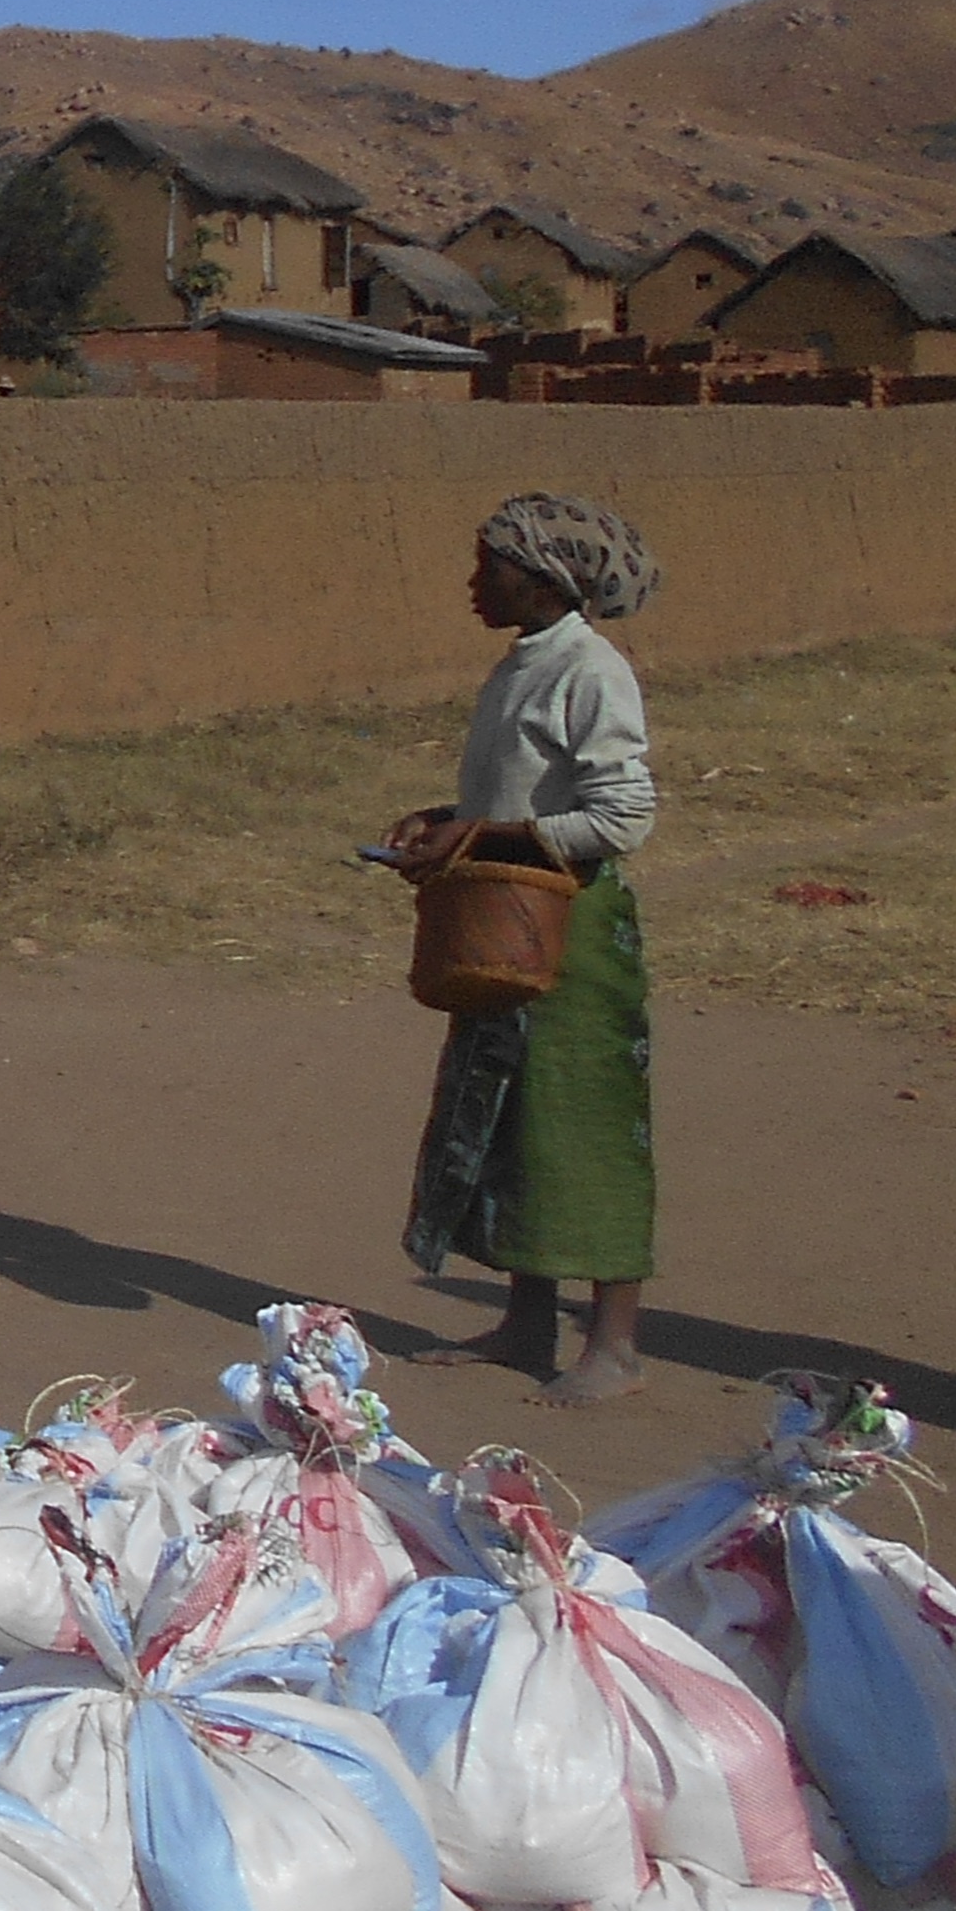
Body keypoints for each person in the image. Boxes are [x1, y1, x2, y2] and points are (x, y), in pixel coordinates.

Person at [391, 493, 663, 1407]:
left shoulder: (591, 670)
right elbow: (523, 796)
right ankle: (526, 1322)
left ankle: (614, 1344)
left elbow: (621, 816)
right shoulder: (521, 667)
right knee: (510, 1119)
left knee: (582, 1130)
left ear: (542, 577)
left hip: (571, 930)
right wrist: (447, 823)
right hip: (508, 917)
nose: (474, 583)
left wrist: (482, 833)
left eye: (488, 566)